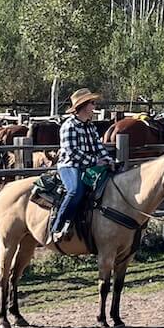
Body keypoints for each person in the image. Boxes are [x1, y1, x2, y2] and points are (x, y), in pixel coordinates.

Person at [51, 88, 114, 244]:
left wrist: (108, 160)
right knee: (75, 190)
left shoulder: (90, 126)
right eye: (92, 103)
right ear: (84, 106)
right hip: (69, 165)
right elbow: (71, 152)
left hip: (88, 166)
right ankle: (57, 227)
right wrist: (95, 162)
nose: (94, 106)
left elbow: (98, 147)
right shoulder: (69, 126)